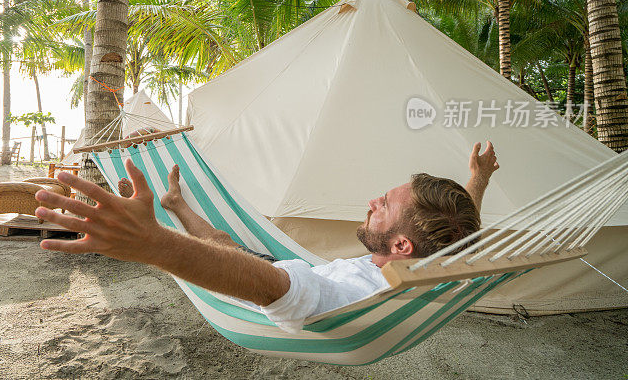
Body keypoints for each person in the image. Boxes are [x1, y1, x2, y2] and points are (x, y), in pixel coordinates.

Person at [34, 141, 499, 332]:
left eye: (384, 206)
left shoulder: (354, 292)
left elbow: (281, 289)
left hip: (276, 282)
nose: (372, 202)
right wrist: (477, 181)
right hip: (293, 270)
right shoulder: (436, 261)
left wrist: (152, 245)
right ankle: (176, 206)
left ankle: (172, 216)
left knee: (227, 250)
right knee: (228, 243)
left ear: (401, 245)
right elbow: (460, 239)